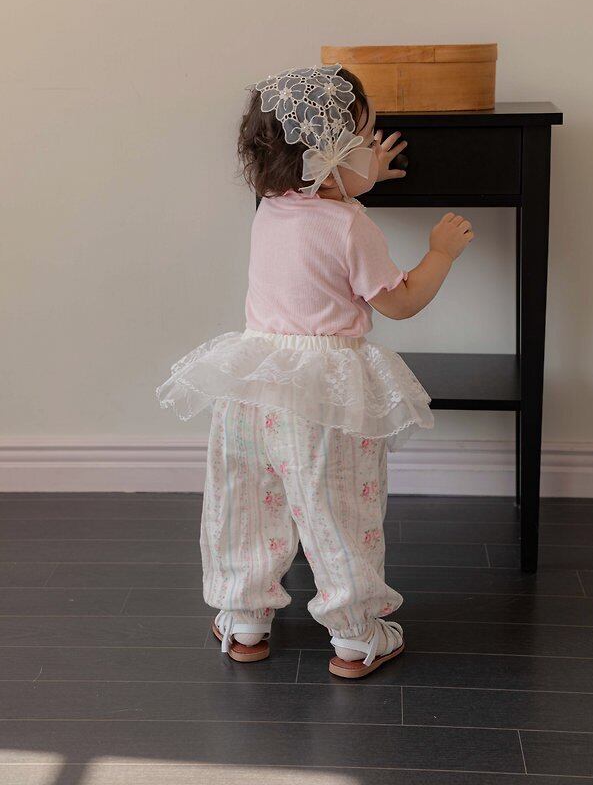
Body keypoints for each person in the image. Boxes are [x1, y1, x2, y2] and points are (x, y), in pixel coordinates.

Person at [157, 64, 474, 678]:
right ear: (330, 161)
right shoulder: (352, 225)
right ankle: (356, 634)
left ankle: (244, 620)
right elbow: (401, 301)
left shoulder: (271, 208)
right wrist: (440, 252)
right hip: (325, 397)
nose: (372, 151)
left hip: (253, 386)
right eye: (364, 142)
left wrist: (362, 176)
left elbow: (323, 212)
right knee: (338, 510)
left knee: (248, 501)